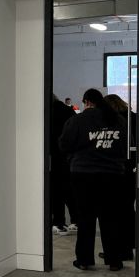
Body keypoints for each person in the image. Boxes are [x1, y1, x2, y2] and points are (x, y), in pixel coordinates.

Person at [59, 88, 127, 271]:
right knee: (110, 218)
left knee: (85, 218)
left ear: (87, 102)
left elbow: (64, 144)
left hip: (83, 175)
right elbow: (126, 147)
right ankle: (114, 260)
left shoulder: (77, 120)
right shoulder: (118, 120)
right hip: (112, 175)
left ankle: (84, 259)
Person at [104, 94, 136, 261]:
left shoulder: (113, 121)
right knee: (128, 209)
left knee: (114, 213)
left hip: (116, 170)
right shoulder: (134, 117)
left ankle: (118, 250)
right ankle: (130, 246)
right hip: (133, 169)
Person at [50, 94, 78, 235]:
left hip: (52, 156)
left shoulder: (47, 111)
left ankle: (58, 222)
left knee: (55, 191)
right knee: (69, 190)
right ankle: (75, 220)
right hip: (69, 157)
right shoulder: (69, 111)